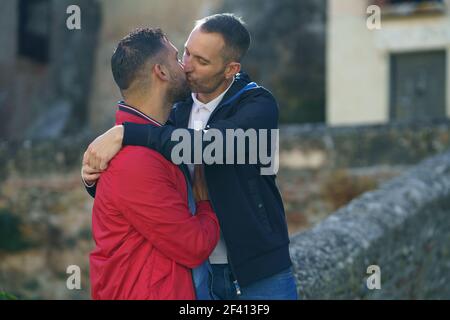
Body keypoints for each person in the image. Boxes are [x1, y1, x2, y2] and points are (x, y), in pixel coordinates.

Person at [83, 14, 298, 300]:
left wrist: (128, 133)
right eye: (186, 53)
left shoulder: (257, 105)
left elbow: (212, 147)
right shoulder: (175, 111)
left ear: (230, 69)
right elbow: (144, 185)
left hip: (259, 271)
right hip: (200, 274)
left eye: (202, 61)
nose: (187, 66)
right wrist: (94, 179)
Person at [88, 28, 220, 300]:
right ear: (160, 72)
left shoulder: (158, 136)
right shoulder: (134, 161)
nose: (185, 66)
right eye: (176, 57)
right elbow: (193, 245)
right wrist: (206, 203)